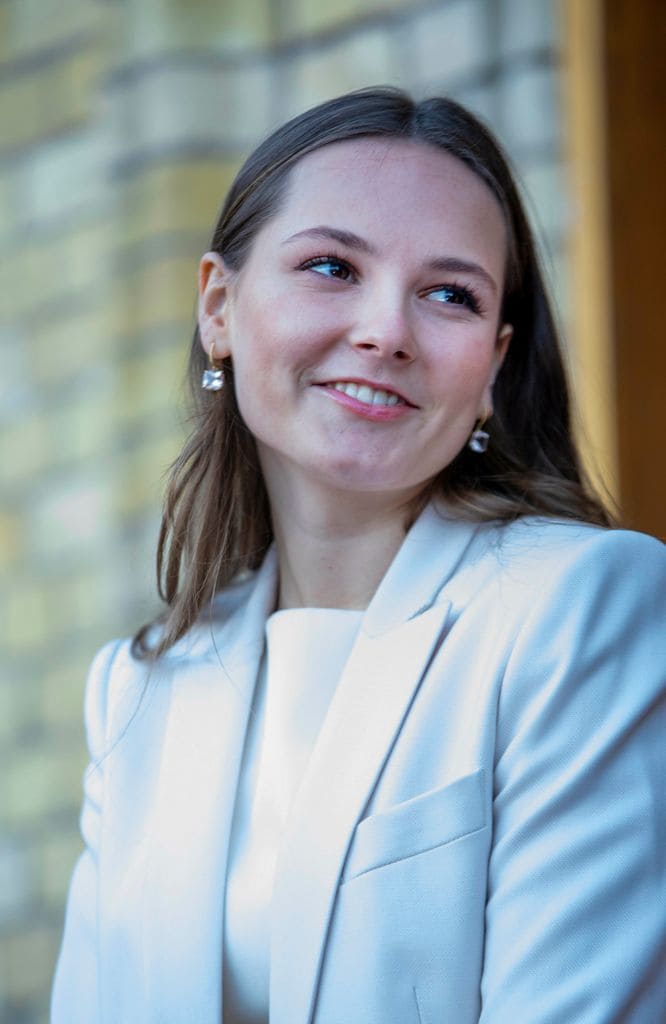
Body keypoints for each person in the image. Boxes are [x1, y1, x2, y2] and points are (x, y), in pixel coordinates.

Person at [51, 87, 665, 1024]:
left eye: (450, 295)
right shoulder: (139, 690)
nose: (386, 331)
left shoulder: (580, 605)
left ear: (493, 366)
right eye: (334, 266)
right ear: (219, 306)